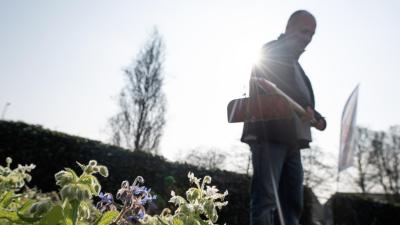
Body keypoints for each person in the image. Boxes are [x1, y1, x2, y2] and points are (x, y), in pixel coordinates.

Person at [241, 10, 327, 225]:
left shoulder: (299, 68)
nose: (307, 38)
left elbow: (306, 104)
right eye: (304, 31)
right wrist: (304, 108)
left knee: (292, 203)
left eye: (312, 34)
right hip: (270, 137)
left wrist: (317, 117)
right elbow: (275, 81)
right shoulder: (272, 51)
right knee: (266, 200)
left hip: (292, 142)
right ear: (289, 28)